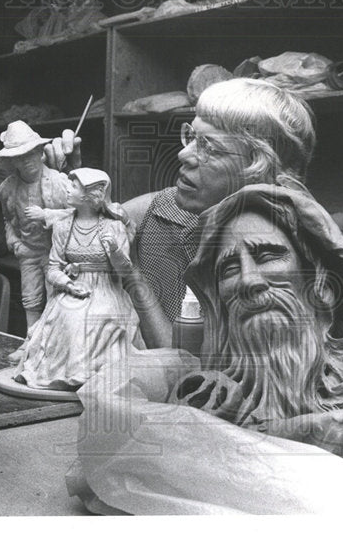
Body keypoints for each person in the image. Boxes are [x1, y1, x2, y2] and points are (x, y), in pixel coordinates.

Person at [46, 78, 317, 347]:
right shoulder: (158, 213)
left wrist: (133, 275)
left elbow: (194, 366)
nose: (183, 154)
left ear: (259, 168)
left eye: (209, 147)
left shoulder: (286, 256)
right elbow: (75, 241)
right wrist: (67, 186)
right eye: (191, 136)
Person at [178, 184, 343, 440]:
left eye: (268, 256)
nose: (248, 281)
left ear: (319, 280)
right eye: (230, 269)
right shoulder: (207, 394)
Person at [14, 168, 142, 391]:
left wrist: (114, 249)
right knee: (67, 315)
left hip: (105, 291)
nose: (67, 189)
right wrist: (68, 285)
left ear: (90, 195)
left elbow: (124, 271)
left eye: (73, 186)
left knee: (94, 318)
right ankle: (66, 375)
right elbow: (53, 268)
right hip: (71, 290)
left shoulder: (114, 226)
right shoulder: (63, 226)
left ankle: (87, 376)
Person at [0, 120, 71, 332]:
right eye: (20, 157)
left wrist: (46, 215)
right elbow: (8, 219)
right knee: (30, 298)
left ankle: (52, 339)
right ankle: (32, 338)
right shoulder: (7, 188)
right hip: (28, 251)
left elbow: (78, 215)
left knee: (55, 297)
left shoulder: (58, 182)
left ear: (40, 152)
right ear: (12, 161)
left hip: (53, 252)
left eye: (30, 154)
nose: (26, 161)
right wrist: (14, 242)